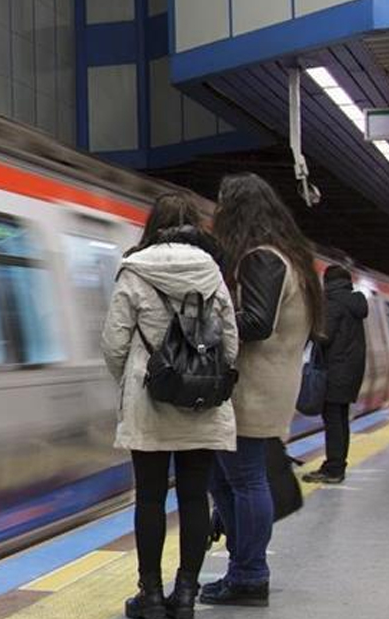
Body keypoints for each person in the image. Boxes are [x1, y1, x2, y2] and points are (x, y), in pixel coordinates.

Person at [102, 192, 239, 619]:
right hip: (201, 402)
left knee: (150, 498)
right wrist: (204, 376)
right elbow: (232, 345)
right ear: (195, 227)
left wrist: (134, 380)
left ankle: (152, 597)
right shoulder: (212, 274)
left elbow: (114, 344)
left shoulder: (134, 271)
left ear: (153, 226)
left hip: (149, 402)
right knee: (195, 497)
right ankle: (185, 596)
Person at [202, 173, 324, 608]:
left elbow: (255, 322)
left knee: (244, 479)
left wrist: (209, 322)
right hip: (269, 383)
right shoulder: (290, 257)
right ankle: (243, 568)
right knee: (227, 478)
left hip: (253, 388)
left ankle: (250, 574)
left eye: (222, 206)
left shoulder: (262, 259)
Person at [303, 264, 368, 484]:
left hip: (335, 371)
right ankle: (337, 465)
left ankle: (334, 469)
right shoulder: (354, 302)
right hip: (350, 372)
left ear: (327, 281)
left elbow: (323, 336)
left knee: (333, 420)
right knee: (340, 419)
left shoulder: (333, 302)